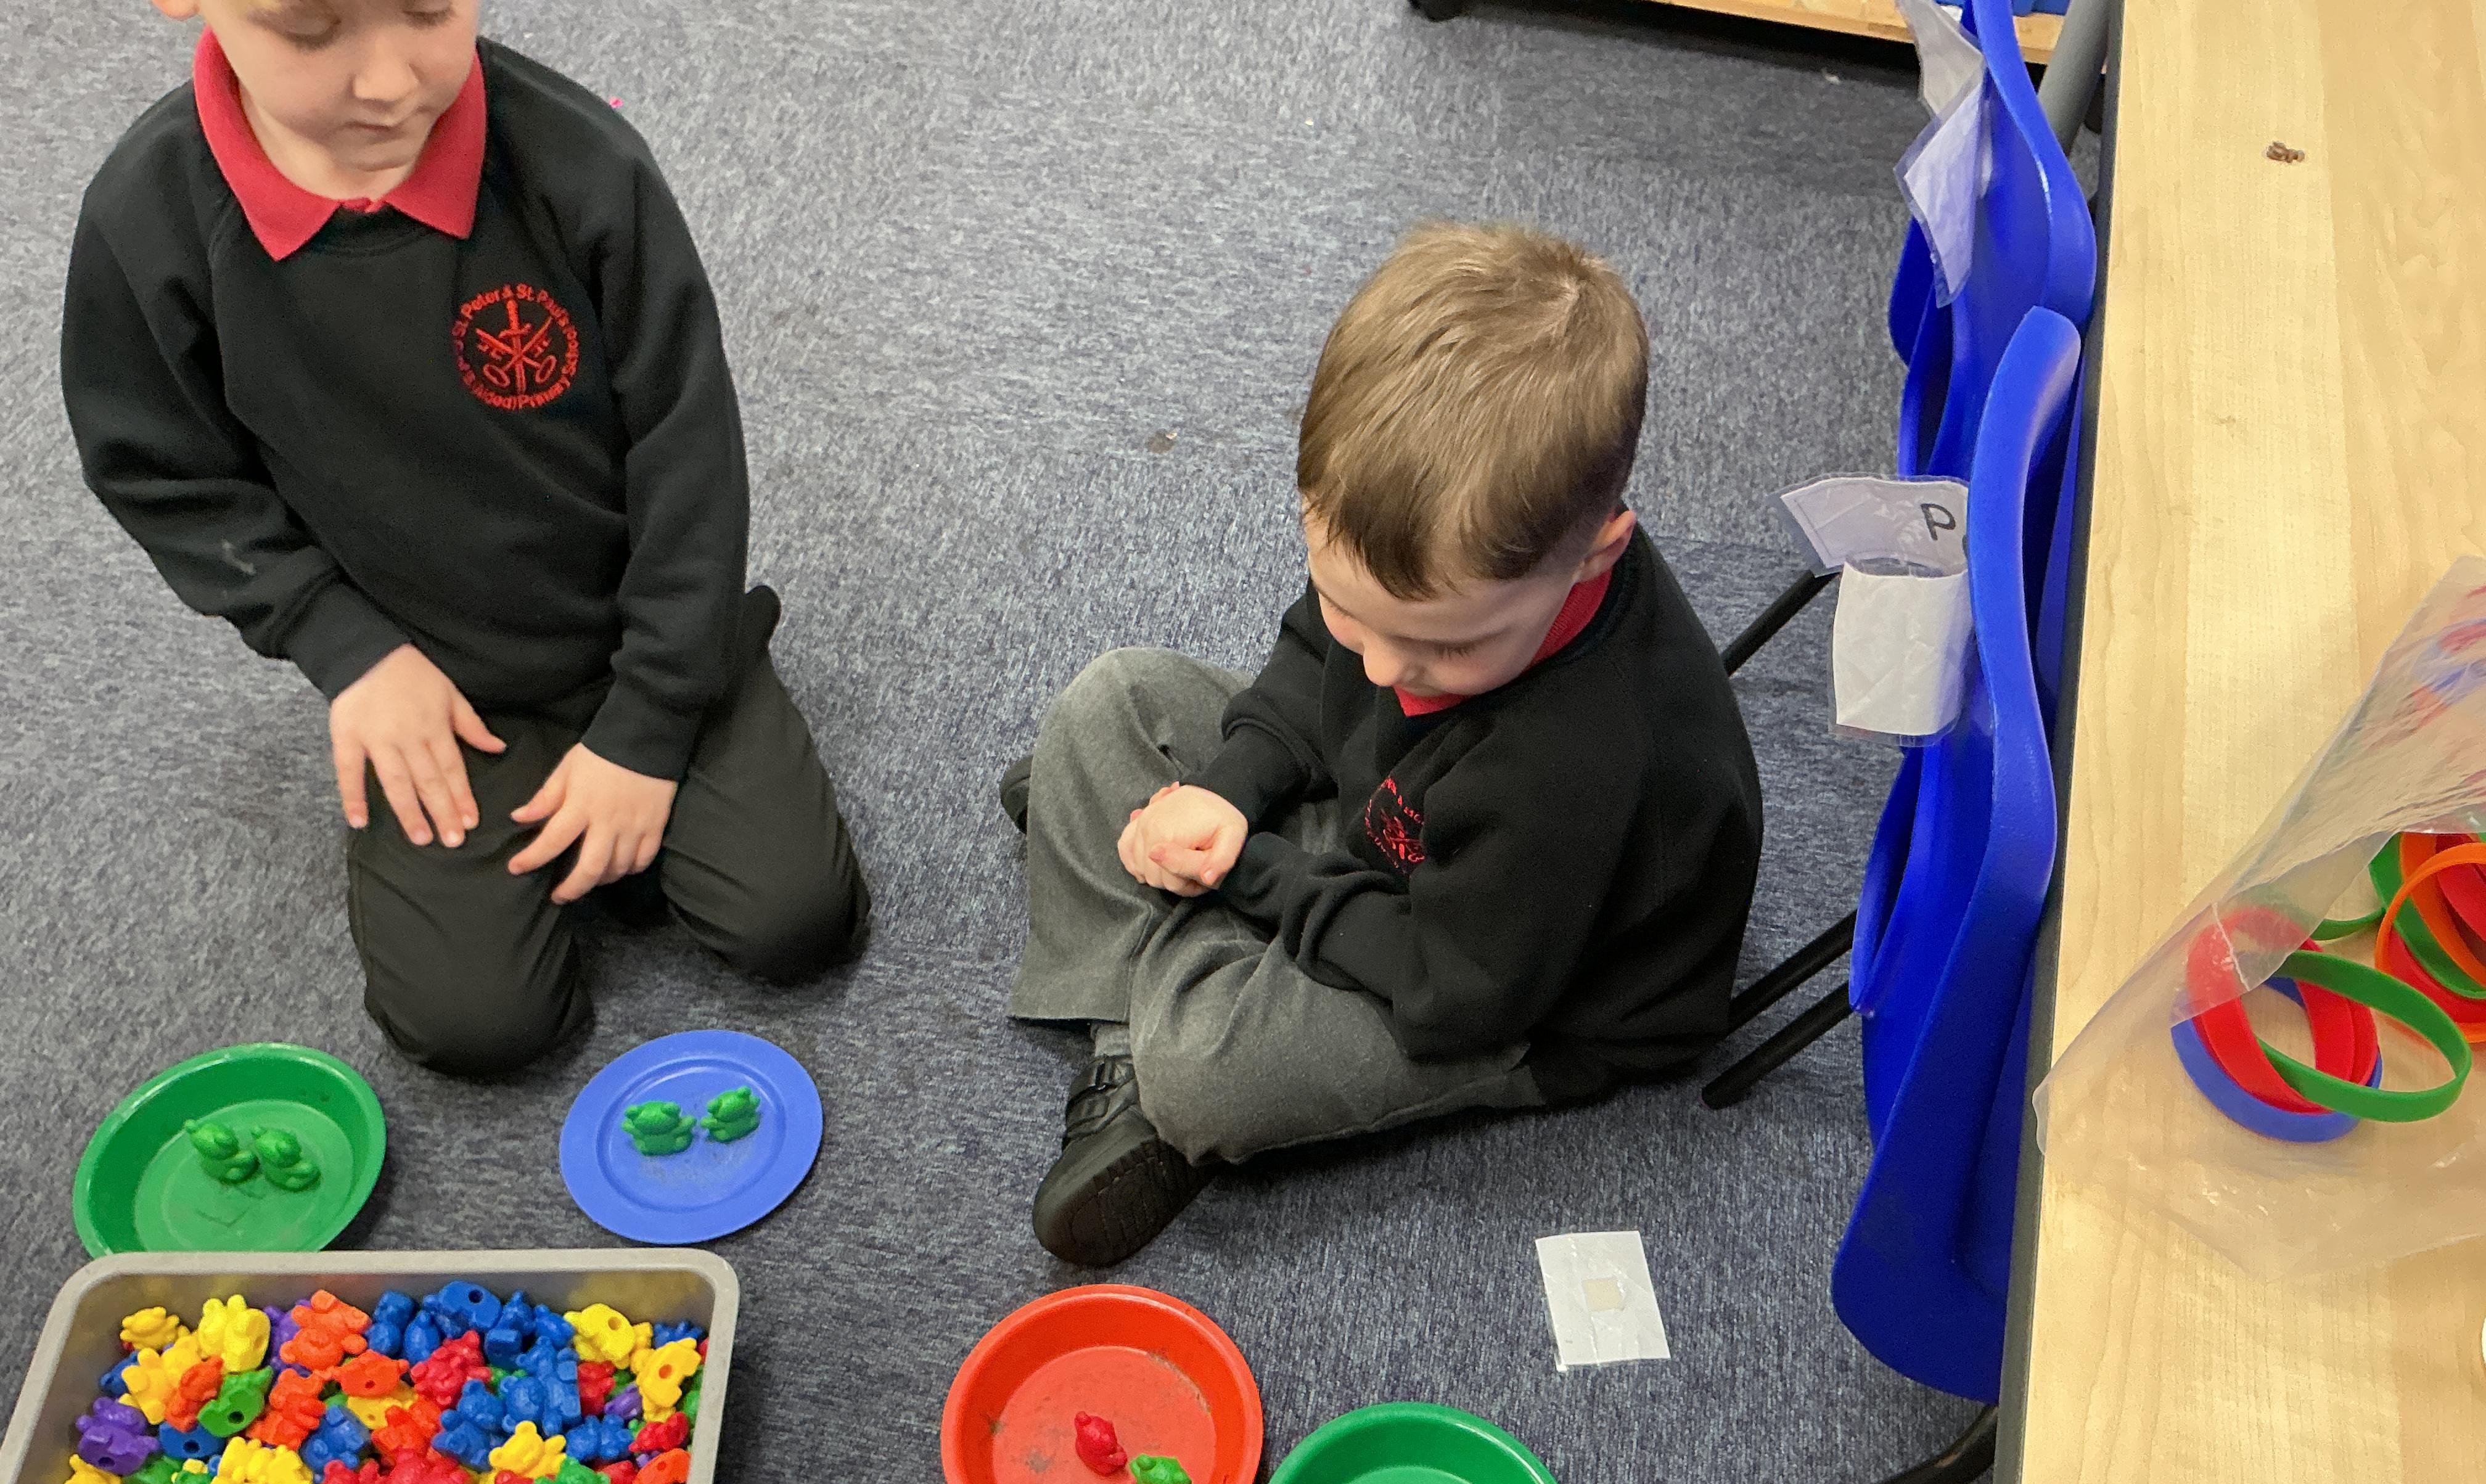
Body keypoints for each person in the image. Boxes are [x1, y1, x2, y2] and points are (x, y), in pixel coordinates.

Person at [62, 0, 868, 1076]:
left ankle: (679, 727)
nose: (391, 82)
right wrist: (346, 649)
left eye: (430, 9)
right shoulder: (145, 217)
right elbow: (162, 473)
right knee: (477, 1028)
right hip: (440, 695)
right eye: (310, 34)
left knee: (795, 923)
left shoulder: (582, 164)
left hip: (644, 636)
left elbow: (690, 452)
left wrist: (650, 720)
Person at [1004, 220, 1765, 1266]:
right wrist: (1231, 785)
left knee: (1202, 1072)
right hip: (1413, 830)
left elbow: (1452, 992)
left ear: (1596, 555)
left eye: (1442, 647)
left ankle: (1136, 1024)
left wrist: (1245, 869)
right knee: (1114, 700)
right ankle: (1144, 976)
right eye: (1351, 610)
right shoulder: (1428, 583)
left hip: (1517, 993)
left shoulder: (1574, 773)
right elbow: (1320, 655)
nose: (1383, 670)